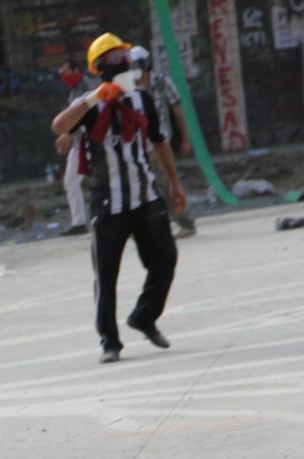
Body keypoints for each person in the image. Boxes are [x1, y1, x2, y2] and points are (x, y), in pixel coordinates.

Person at [51, 33, 186, 364]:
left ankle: (143, 317)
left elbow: (159, 141)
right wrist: (95, 98)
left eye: (123, 59)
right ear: (99, 70)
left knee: (165, 260)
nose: (121, 65)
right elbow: (59, 125)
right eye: (112, 61)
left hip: (146, 197)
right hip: (108, 204)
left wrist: (174, 183)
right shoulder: (89, 103)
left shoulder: (143, 99)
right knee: (106, 276)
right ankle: (109, 341)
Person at [130, 45, 198, 239]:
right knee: (142, 185)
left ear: (146, 64)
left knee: (165, 183)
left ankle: (185, 222)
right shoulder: (128, 88)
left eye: (136, 64)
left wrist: (185, 139)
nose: (133, 69)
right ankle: (148, 226)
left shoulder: (161, 82)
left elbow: (178, 112)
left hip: (159, 141)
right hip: (137, 144)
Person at [55, 59, 95, 236]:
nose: (63, 78)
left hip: (91, 141)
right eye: (61, 75)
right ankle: (79, 222)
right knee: (71, 181)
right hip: (79, 143)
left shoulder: (87, 87)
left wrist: (67, 134)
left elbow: (85, 113)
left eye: (65, 73)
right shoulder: (73, 92)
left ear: (76, 70)